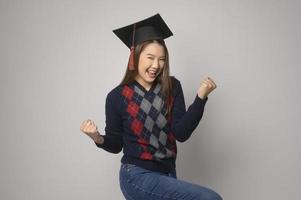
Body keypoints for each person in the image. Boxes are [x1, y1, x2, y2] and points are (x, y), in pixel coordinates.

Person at [80, 13, 222, 200]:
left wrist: (201, 98)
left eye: (161, 59)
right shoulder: (116, 97)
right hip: (136, 175)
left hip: (168, 174)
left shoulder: (172, 87)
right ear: (135, 56)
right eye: (150, 57)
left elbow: (181, 133)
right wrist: (97, 138)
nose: (156, 65)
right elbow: (116, 144)